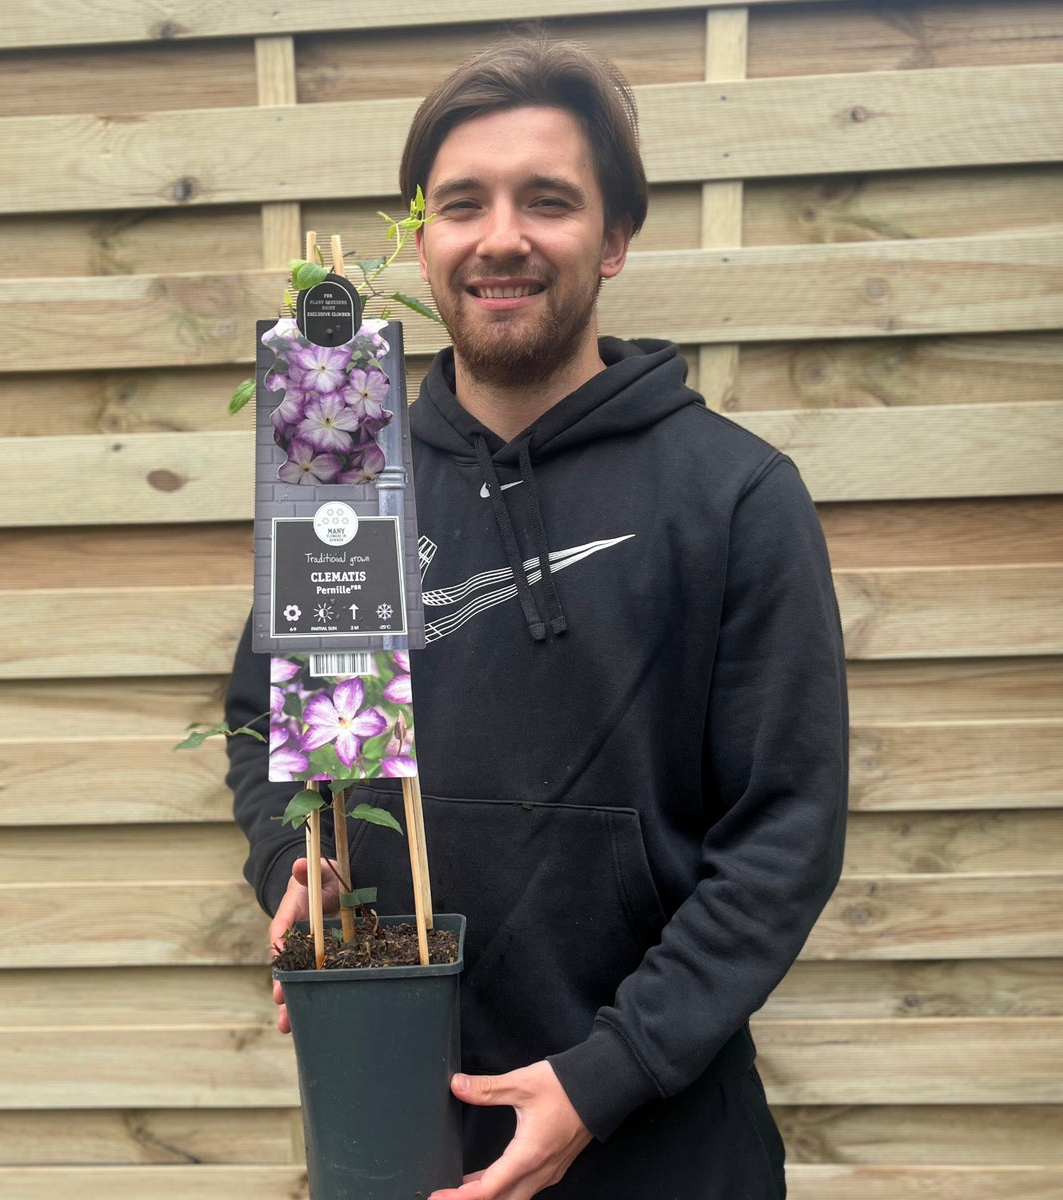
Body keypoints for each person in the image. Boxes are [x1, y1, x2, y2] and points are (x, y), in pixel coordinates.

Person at [227, 36, 848, 1200]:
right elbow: (270, 730)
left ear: (614, 239)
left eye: (548, 201)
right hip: (402, 1137)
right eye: (463, 203)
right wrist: (289, 866)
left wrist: (609, 1073)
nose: (501, 235)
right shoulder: (341, 481)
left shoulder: (734, 498)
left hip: (664, 1141)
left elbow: (785, 837)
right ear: (423, 239)